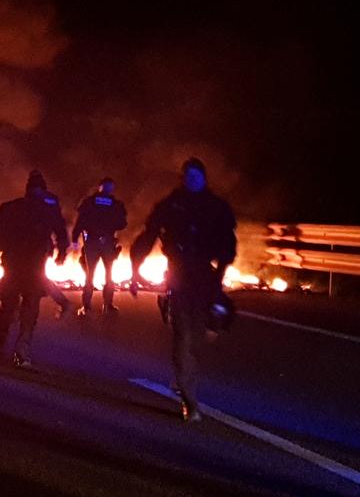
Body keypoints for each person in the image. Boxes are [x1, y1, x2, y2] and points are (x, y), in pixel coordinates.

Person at [129, 158, 237, 422]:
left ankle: (188, 376)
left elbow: (228, 243)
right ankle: (190, 400)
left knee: (197, 338)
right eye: (187, 176)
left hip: (204, 277)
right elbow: (149, 234)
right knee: (182, 336)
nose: (192, 180)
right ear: (183, 178)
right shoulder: (171, 204)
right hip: (178, 275)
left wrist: (220, 274)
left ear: (204, 178)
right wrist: (135, 268)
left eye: (196, 176)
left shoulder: (217, 207)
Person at [0, 170, 70, 367]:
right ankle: (21, 350)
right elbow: (61, 233)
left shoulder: (11, 207)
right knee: (27, 309)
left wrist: (6, 248)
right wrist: (60, 253)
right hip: (31, 266)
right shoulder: (47, 209)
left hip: (16, 264)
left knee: (11, 307)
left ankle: (3, 345)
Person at [71, 177, 127, 316]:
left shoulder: (90, 202)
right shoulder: (115, 204)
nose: (109, 189)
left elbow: (80, 221)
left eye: (110, 186)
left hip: (96, 242)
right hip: (103, 242)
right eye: (107, 186)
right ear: (101, 187)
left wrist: (75, 238)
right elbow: (122, 223)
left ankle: (93, 306)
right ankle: (98, 305)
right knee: (98, 274)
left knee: (98, 274)